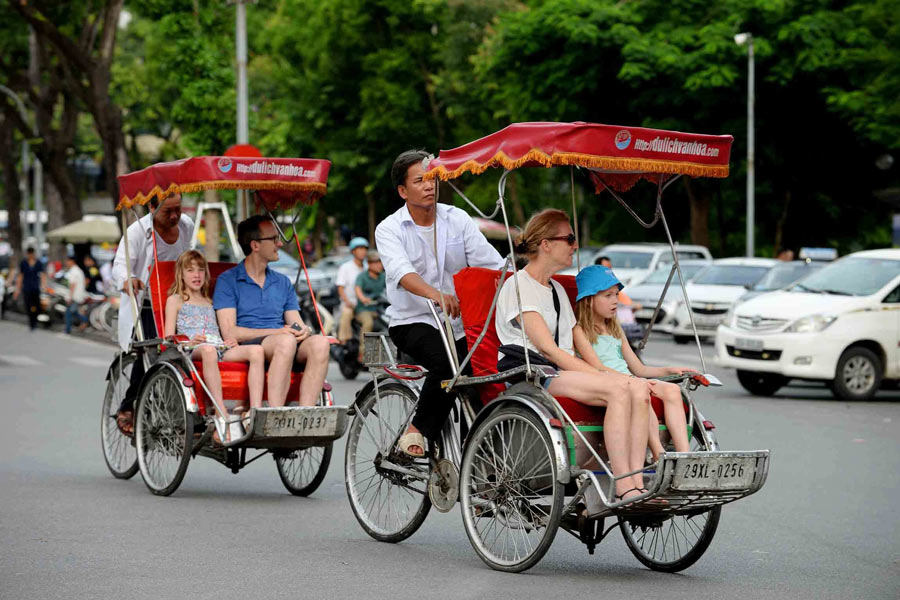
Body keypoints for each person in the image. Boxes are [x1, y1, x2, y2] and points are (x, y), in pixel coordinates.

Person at [495, 209, 652, 501]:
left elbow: (575, 339)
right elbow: (548, 349)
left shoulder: (555, 288)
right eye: (569, 239)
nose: (575, 246)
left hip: (562, 371)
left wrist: (610, 372)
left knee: (637, 386)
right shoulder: (519, 286)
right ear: (546, 244)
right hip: (535, 373)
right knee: (618, 390)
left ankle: (638, 482)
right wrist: (601, 376)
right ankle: (623, 485)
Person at [377, 149, 507, 457]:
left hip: (462, 323)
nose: (428, 186)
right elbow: (402, 272)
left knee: (489, 374)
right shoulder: (389, 229)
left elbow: (490, 264)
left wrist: (520, 278)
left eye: (433, 178)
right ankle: (417, 430)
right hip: (413, 322)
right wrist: (436, 295)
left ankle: (477, 466)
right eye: (419, 180)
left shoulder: (456, 219)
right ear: (402, 190)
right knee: (450, 365)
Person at [573, 265, 695, 459]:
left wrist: (669, 370)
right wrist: (633, 380)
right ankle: (659, 454)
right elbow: (597, 367)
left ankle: (685, 458)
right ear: (588, 300)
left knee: (673, 390)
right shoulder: (579, 331)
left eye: (616, 295)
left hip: (631, 378)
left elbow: (638, 367)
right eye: (608, 296)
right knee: (641, 392)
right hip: (608, 382)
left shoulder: (615, 328)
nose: (615, 301)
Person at [214, 215, 330, 408]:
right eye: (274, 239)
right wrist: (279, 332)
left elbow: (296, 322)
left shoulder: (282, 281)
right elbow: (230, 332)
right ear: (255, 245)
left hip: (285, 341)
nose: (279, 244)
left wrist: (305, 331)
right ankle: (276, 413)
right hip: (253, 344)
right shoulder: (228, 280)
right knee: (285, 341)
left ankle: (306, 413)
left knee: (320, 343)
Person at [111, 192, 194, 435]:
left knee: (190, 352)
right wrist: (128, 279)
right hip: (148, 303)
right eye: (168, 211)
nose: (175, 216)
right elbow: (120, 265)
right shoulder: (138, 232)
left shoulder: (186, 225)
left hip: (178, 301)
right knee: (151, 353)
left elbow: (188, 258)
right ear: (151, 206)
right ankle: (129, 405)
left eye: (178, 209)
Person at [164, 250, 265, 443]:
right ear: (181, 274)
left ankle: (254, 412)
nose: (197, 275)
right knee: (209, 351)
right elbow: (168, 337)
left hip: (218, 347)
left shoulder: (211, 301)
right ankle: (221, 415)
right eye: (191, 270)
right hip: (191, 349)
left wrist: (231, 341)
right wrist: (189, 342)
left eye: (201, 270)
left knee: (256, 351)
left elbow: (220, 331)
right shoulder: (176, 300)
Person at [354, 249, 386, 361]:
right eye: (375, 262)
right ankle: (362, 353)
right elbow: (357, 289)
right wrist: (363, 299)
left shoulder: (383, 276)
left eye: (380, 262)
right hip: (364, 309)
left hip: (380, 309)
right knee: (368, 323)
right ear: (369, 264)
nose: (379, 265)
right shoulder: (362, 276)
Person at [336, 237, 368, 343]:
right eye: (359, 249)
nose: (363, 252)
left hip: (365, 304)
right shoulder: (345, 267)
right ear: (353, 251)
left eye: (364, 249)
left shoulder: (368, 267)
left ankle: (364, 348)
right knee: (346, 314)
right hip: (350, 303)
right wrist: (347, 302)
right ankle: (343, 343)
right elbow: (340, 288)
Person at [13, 247, 46, 331]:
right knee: (28, 306)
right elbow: (20, 276)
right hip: (26, 288)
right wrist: (17, 289)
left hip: (35, 287)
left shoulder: (38, 262)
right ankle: (31, 323)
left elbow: (42, 275)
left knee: (37, 306)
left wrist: (43, 286)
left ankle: (34, 321)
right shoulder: (23, 263)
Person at [63, 255, 87, 334]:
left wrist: (70, 296)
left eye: (67, 261)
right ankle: (83, 321)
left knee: (69, 312)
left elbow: (72, 285)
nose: (66, 263)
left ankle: (68, 329)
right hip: (78, 295)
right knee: (73, 312)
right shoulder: (78, 270)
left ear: (71, 261)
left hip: (75, 296)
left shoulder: (74, 271)